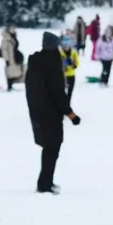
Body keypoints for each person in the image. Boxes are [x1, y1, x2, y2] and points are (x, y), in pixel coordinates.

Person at [25, 32, 80, 195]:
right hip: (51, 114)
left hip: (38, 112)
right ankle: (44, 183)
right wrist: (71, 114)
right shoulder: (52, 62)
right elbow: (58, 92)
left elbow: (32, 90)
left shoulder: (35, 62)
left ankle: (45, 181)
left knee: (48, 147)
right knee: (52, 147)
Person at [0, 26, 24, 92]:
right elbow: (4, 50)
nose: (14, 30)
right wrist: (7, 59)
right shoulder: (6, 38)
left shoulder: (12, 37)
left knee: (15, 71)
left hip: (13, 57)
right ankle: (9, 86)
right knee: (10, 72)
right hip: (10, 58)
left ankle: (11, 85)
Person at [60, 33, 79, 103]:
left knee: (70, 92)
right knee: (61, 93)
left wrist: (73, 65)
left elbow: (77, 63)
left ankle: (67, 105)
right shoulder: (59, 52)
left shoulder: (74, 52)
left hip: (71, 75)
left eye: (67, 44)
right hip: (62, 76)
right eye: (64, 45)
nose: (66, 46)